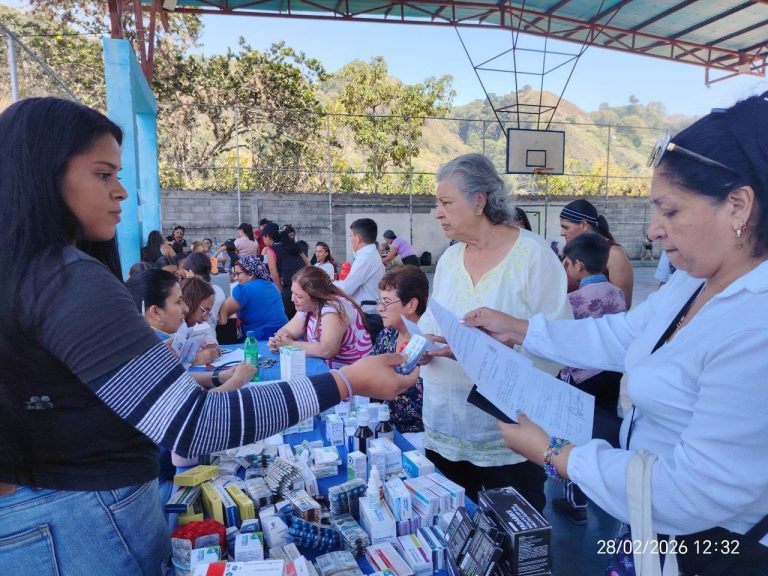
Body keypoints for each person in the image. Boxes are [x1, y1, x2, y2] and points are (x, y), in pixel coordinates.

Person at [0, 97, 419, 575]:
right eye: (102, 175)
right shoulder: (66, 280)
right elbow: (197, 425)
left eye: (118, 175)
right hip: (78, 523)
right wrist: (347, 384)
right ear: (40, 174)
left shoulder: (28, 275)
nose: (122, 193)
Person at [463, 94, 768, 574]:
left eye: (669, 211)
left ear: (738, 206)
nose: (654, 231)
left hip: (710, 546)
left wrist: (554, 455)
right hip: (646, 517)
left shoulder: (757, 325)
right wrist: (522, 329)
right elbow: (624, 336)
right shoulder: (693, 280)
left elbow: (690, 493)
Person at [417, 153, 572, 509]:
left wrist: (488, 354)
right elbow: (431, 322)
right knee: (452, 538)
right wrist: (420, 346)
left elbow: (557, 342)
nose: (438, 212)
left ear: (479, 201)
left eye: (445, 202)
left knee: (513, 546)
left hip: (507, 438)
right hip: (444, 426)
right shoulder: (451, 258)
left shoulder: (532, 256)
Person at [553, 232, 627, 525]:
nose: (566, 269)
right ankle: (605, 491)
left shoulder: (573, 301)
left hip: (581, 377)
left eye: (567, 264)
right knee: (607, 428)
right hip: (611, 373)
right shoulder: (617, 293)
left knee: (574, 435)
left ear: (578, 266)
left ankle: (577, 502)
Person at [268, 266, 373, 368]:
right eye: (293, 293)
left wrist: (290, 344)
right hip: (327, 368)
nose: (292, 299)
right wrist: (278, 340)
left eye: (299, 296)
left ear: (316, 296)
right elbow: (289, 330)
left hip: (353, 373)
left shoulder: (333, 309)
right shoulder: (308, 306)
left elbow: (327, 350)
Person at [370, 266, 428, 449]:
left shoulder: (429, 345)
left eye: (386, 302)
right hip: (383, 425)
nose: (379, 308)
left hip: (416, 435)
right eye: (380, 301)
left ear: (411, 305)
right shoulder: (387, 334)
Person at [559, 199, 634, 307]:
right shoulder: (572, 251)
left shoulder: (614, 253)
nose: (561, 233)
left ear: (584, 225)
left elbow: (623, 304)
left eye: (566, 227)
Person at [218, 255, 288, 341]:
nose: (235, 278)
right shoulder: (271, 285)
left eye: (238, 274)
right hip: (283, 334)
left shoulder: (244, 289)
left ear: (251, 274)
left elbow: (222, 312)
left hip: (261, 338)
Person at [334, 218, 385, 316]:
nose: (350, 240)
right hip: (367, 308)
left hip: (366, 313)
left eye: (351, 236)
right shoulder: (368, 254)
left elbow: (346, 289)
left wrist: (327, 284)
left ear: (358, 238)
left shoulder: (366, 258)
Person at [179, 251, 226, 337]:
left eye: (185, 273)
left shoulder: (187, 291)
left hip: (190, 338)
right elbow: (223, 321)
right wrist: (213, 320)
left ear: (191, 272)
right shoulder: (219, 290)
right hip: (211, 336)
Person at [273, 227, 310, 318]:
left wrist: (282, 289)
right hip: (303, 285)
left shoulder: (276, 248)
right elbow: (309, 264)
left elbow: (273, 272)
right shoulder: (296, 247)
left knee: (286, 317)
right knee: (301, 316)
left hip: (289, 286)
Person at [261, 222, 283, 292]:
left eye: (263, 237)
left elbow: (273, 273)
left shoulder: (271, 250)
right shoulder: (288, 245)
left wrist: (281, 291)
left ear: (268, 236)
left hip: (283, 285)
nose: (263, 240)